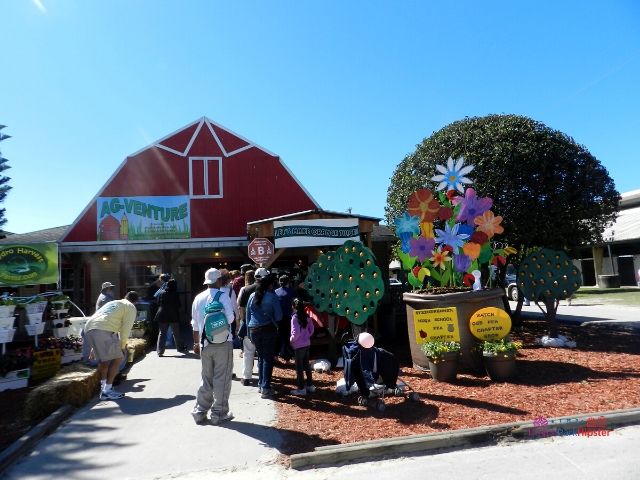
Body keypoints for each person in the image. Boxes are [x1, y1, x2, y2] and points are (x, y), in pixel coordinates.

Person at [190, 268, 235, 425]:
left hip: (204, 343)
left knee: (206, 378)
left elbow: (195, 324)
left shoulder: (198, 298)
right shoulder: (223, 296)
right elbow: (230, 319)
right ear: (219, 281)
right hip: (223, 342)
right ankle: (219, 413)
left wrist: (196, 343)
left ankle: (200, 411)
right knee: (222, 378)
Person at [84, 291, 139, 400]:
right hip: (103, 330)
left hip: (88, 328)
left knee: (104, 361)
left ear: (125, 296)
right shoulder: (130, 307)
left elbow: (101, 317)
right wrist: (123, 346)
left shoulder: (114, 303)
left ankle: (104, 388)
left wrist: (93, 347)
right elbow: (126, 329)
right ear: (136, 301)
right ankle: (107, 390)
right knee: (119, 357)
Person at [247, 268, 282, 398]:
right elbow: (278, 316)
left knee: (261, 357)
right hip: (268, 328)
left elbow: (247, 316)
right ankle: (265, 387)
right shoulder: (272, 297)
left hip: (253, 329)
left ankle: (261, 384)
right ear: (270, 284)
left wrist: (249, 333)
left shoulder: (252, 296)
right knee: (267, 358)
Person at [289, 298, 316, 396]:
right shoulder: (307, 316)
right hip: (306, 344)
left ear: (293, 307)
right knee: (306, 366)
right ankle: (310, 385)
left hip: (298, 346)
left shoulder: (294, 318)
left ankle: (301, 388)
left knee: (299, 368)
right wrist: (307, 336)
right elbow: (312, 329)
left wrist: (291, 340)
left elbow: (296, 333)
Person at [154, 279, 187, 356]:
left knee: (162, 333)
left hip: (162, 314)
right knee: (176, 333)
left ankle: (160, 351)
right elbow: (178, 305)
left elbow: (158, 303)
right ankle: (179, 348)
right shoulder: (175, 294)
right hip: (173, 314)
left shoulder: (161, 293)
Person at [237, 269, 257, 386]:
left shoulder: (244, 290)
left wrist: (241, 321)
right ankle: (263, 376)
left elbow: (240, 306)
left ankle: (246, 376)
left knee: (248, 352)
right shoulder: (265, 289)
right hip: (263, 324)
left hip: (247, 323)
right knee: (262, 353)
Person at [275, 275, 295, 361]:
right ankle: (287, 357)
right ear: (288, 282)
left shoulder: (275, 292)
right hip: (289, 317)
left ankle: (276, 355)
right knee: (287, 336)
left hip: (278, 317)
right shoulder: (292, 291)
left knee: (278, 336)